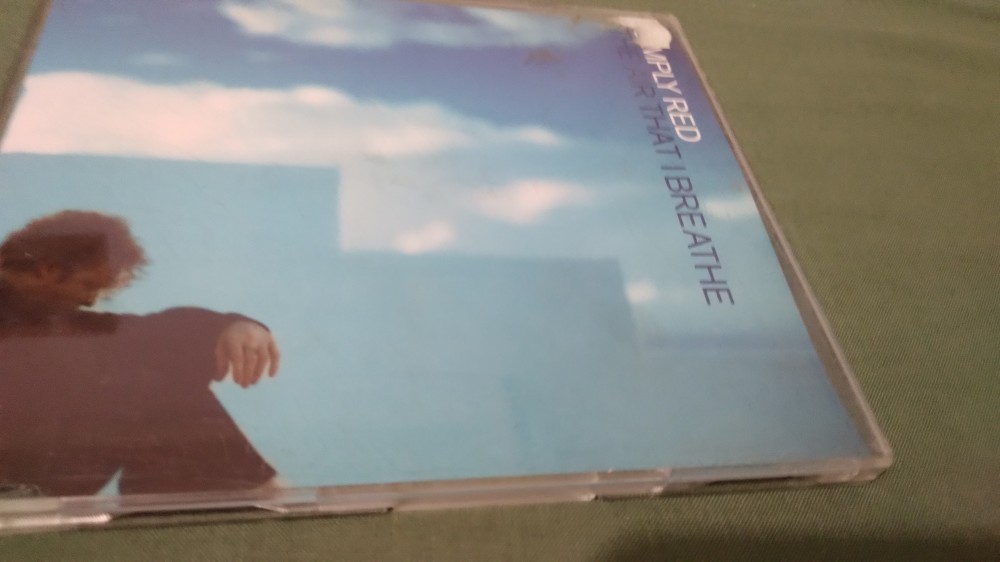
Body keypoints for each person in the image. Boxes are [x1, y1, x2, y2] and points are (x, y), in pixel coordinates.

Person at [0, 210, 281, 496]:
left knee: (159, 384)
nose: (89, 300)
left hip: (35, 489)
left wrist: (230, 326)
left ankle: (253, 498)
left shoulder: (57, 324)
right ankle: (260, 499)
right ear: (48, 269)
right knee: (152, 387)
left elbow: (144, 333)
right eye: (88, 285)